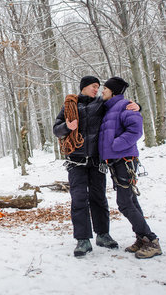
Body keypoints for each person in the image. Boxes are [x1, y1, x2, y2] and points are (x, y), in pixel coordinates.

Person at [53, 76, 138, 258]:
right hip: (75, 162)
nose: (96, 90)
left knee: (99, 198)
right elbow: (56, 129)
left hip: (96, 161)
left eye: (99, 87)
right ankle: (82, 239)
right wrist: (67, 127)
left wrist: (138, 106)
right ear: (83, 87)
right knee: (79, 199)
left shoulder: (101, 104)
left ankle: (103, 234)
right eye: (93, 86)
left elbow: (120, 107)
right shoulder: (70, 105)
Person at [98, 76, 162, 259]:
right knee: (131, 201)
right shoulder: (109, 108)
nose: (103, 91)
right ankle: (142, 238)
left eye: (105, 89)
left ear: (113, 91)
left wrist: (115, 145)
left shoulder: (125, 106)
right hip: (116, 161)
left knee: (124, 203)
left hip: (125, 160)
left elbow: (135, 130)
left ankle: (151, 240)